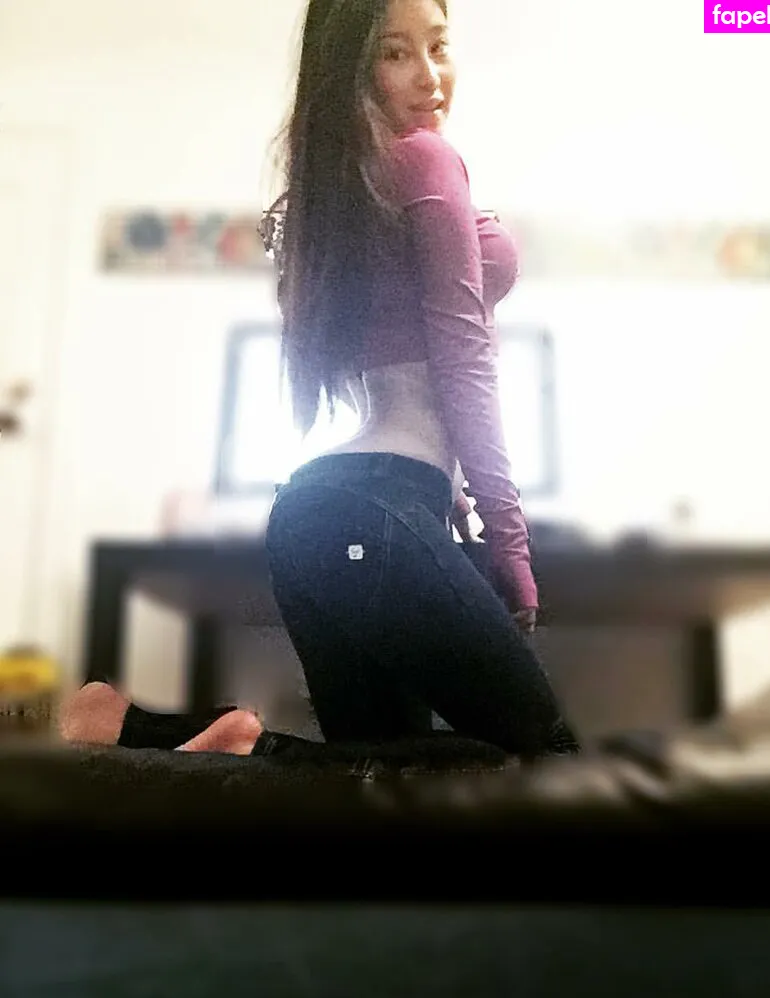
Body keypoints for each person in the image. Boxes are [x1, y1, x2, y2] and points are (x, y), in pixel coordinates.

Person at [60, 0, 580, 760]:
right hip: (375, 510)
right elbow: (463, 354)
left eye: (438, 46)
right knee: (546, 759)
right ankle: (200, 741)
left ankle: (162, 734)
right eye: (394, 53)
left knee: (372, 785)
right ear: (353, 70)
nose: (429, 77)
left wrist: (451, 488)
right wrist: (509, 536)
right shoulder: (425, 160)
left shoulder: (343, 193)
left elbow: (405, 360)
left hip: (327, 513)